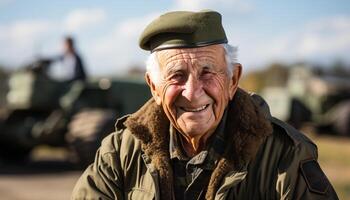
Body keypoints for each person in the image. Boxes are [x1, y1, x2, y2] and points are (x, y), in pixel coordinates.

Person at [71, 10, 338, 199]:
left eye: (208, 72)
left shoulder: (285, 155)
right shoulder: (118, 151)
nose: (192, 92)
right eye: (177, 76)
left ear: (233, 80)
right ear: (153, 87)